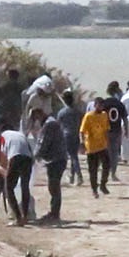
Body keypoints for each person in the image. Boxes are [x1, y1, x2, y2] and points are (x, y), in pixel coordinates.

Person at [42, 95, 76, 223]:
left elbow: (45, 142)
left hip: (59, 152)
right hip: (73, 137)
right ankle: (75, 175)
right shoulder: (77, 111)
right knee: (74, 157)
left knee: (54, 185)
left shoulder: (57, 117)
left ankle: (54, 213)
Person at [3, 116, 39, 224]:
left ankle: (18, 218)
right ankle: (25, 216)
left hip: (15, 158)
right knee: (25, 187)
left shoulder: (3, 136)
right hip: (28, 159)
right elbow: (30, 151)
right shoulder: (20, 135)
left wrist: (5, 171)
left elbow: (4, 156)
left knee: (8, 188)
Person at [79, 93, 111, 195]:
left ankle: (103, 184)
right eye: (99, 105)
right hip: (91, 147)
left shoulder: (104, 115)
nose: (101, 107)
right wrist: (82, 143)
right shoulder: (88, 116)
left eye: (102, 105)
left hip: (102, 145)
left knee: (106, 165)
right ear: (95, 105)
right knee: (93, 169)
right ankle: (94, 189)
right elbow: (82, 131)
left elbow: (106, 129)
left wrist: (107, 141)